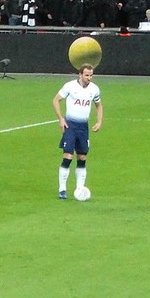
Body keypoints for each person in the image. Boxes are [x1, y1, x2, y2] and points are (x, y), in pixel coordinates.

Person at [52, 65, 102, 200]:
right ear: (80, 75)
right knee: (67, 157)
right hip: (70, 126)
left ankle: (80, 189)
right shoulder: (70, 86)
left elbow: (98, 105)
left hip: (83, 128)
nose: (89, 78)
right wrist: (61, 119)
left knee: (82, 158)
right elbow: (56, 100)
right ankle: (62, 189)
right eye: (86, 75)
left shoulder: (94, 89)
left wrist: (99, 121)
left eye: (91, 75)